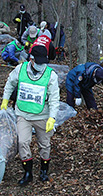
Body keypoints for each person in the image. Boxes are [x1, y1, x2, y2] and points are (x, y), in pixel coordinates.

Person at [0, 44, 60, 186]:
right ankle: (28, 173)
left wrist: (52, 117)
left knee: (45, 144)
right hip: (23, 114)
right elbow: (10, 84)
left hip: (42, 115)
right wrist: (5, 100)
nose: (41, 65)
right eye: (38, 62)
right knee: (23, 142)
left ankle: (44, 171)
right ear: (31, 59)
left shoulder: (51, 75)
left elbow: (54, 98)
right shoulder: (20, 70)